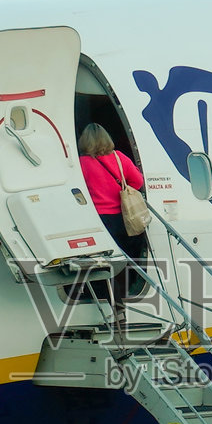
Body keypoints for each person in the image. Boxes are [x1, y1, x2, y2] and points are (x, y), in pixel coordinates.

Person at [75, 122, 146, 327]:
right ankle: (122, 302)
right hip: (124, 219)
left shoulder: (82, 163)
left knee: (102, 265)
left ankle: (112, 305)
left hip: (99, 220)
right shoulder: (119, 157)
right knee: (122, 262)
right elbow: (138, 182)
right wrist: (121, 192)